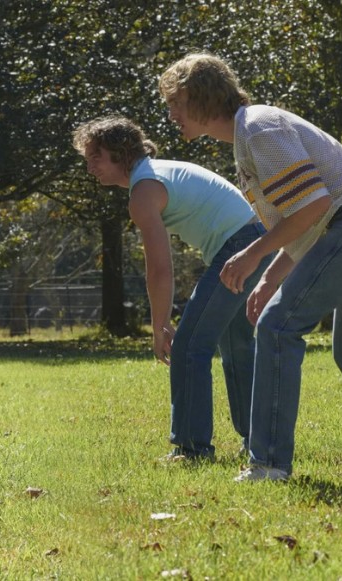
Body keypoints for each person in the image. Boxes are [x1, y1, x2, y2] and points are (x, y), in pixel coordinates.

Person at [158, 53, 342, 481]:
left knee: (278, 327)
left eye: (175, 102)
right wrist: (269, 281)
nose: (170, 114)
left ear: (200, 98)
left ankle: (268, 464)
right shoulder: (249, 135)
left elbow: (314, 206)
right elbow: (305, 222)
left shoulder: (257, 127)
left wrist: (253, 254)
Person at [72, 115, 272, 461]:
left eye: (96, 157)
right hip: (258, 240)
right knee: (235, 343)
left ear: (120, 154)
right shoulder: (155, 173)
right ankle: (258, 440)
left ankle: (192, 448)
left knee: (189, 345)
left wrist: (161, 325)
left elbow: (160, 270)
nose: (89, 167)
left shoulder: (144, 190)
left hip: (241, 246)